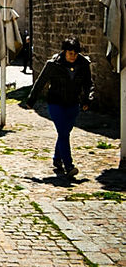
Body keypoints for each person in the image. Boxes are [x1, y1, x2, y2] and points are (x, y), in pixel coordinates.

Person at [25, 37, 94, 177]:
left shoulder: (83, 64)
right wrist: (31, 100)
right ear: (64, 52)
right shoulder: (53, 64)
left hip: (73, 103)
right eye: (70, 53)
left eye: (75, 54)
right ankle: (68, 166)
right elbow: (40, 82)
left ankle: (57, 159)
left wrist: (88, 99)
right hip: (55, 103)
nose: (73, 56)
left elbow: (88, 83)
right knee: (63, 133)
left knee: (64, 133)